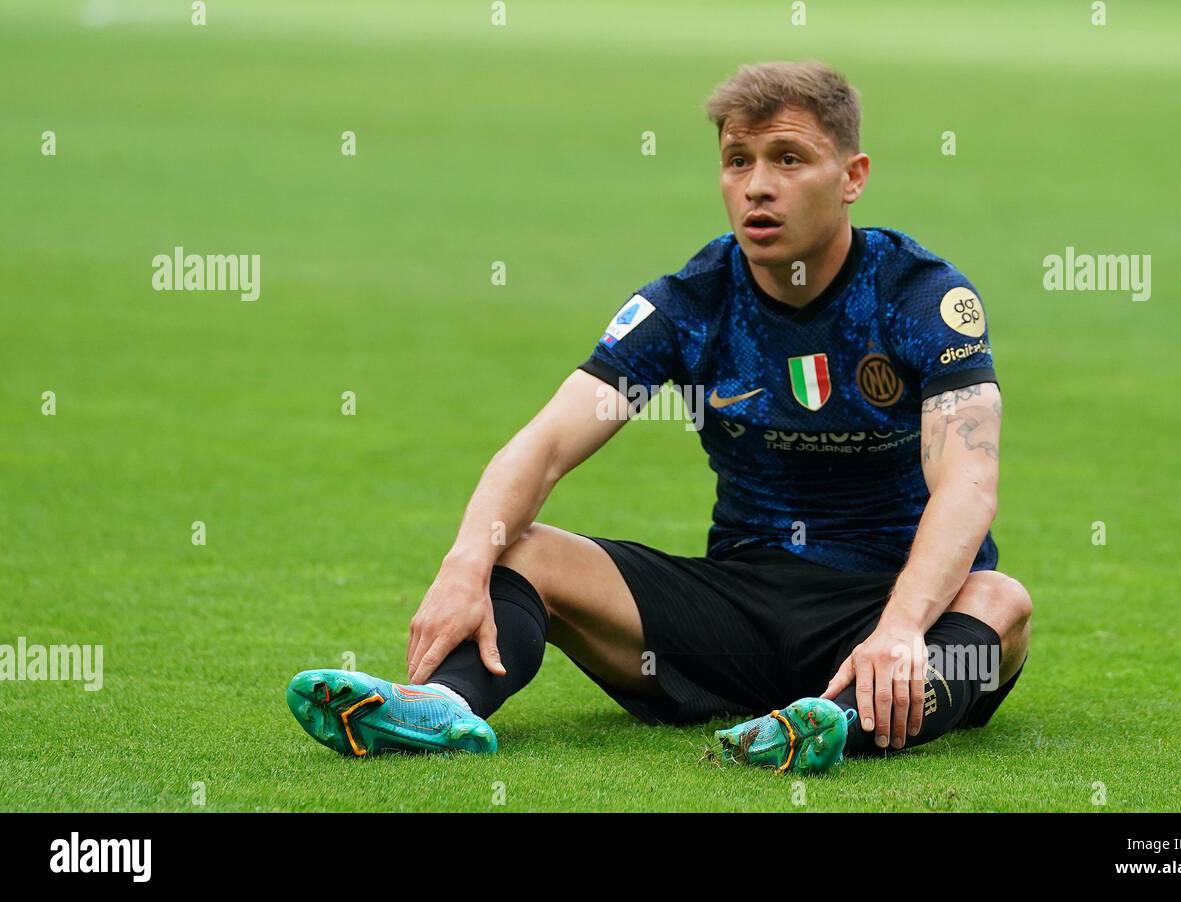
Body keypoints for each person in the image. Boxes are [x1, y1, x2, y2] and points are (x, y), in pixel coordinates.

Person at [286, 60, 1032, 774]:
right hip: (739, 606)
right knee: (523, 550)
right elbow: (545, 444)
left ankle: (833, 726)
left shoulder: (918, 298)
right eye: (738, 161)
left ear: (853, 178)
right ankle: (443, 707)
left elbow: (967, 483)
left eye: (789, 159)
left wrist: (900, 627)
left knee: (1000, 605)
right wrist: (462, 567)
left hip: (889, 602)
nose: (758, 188)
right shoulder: (691, 303)